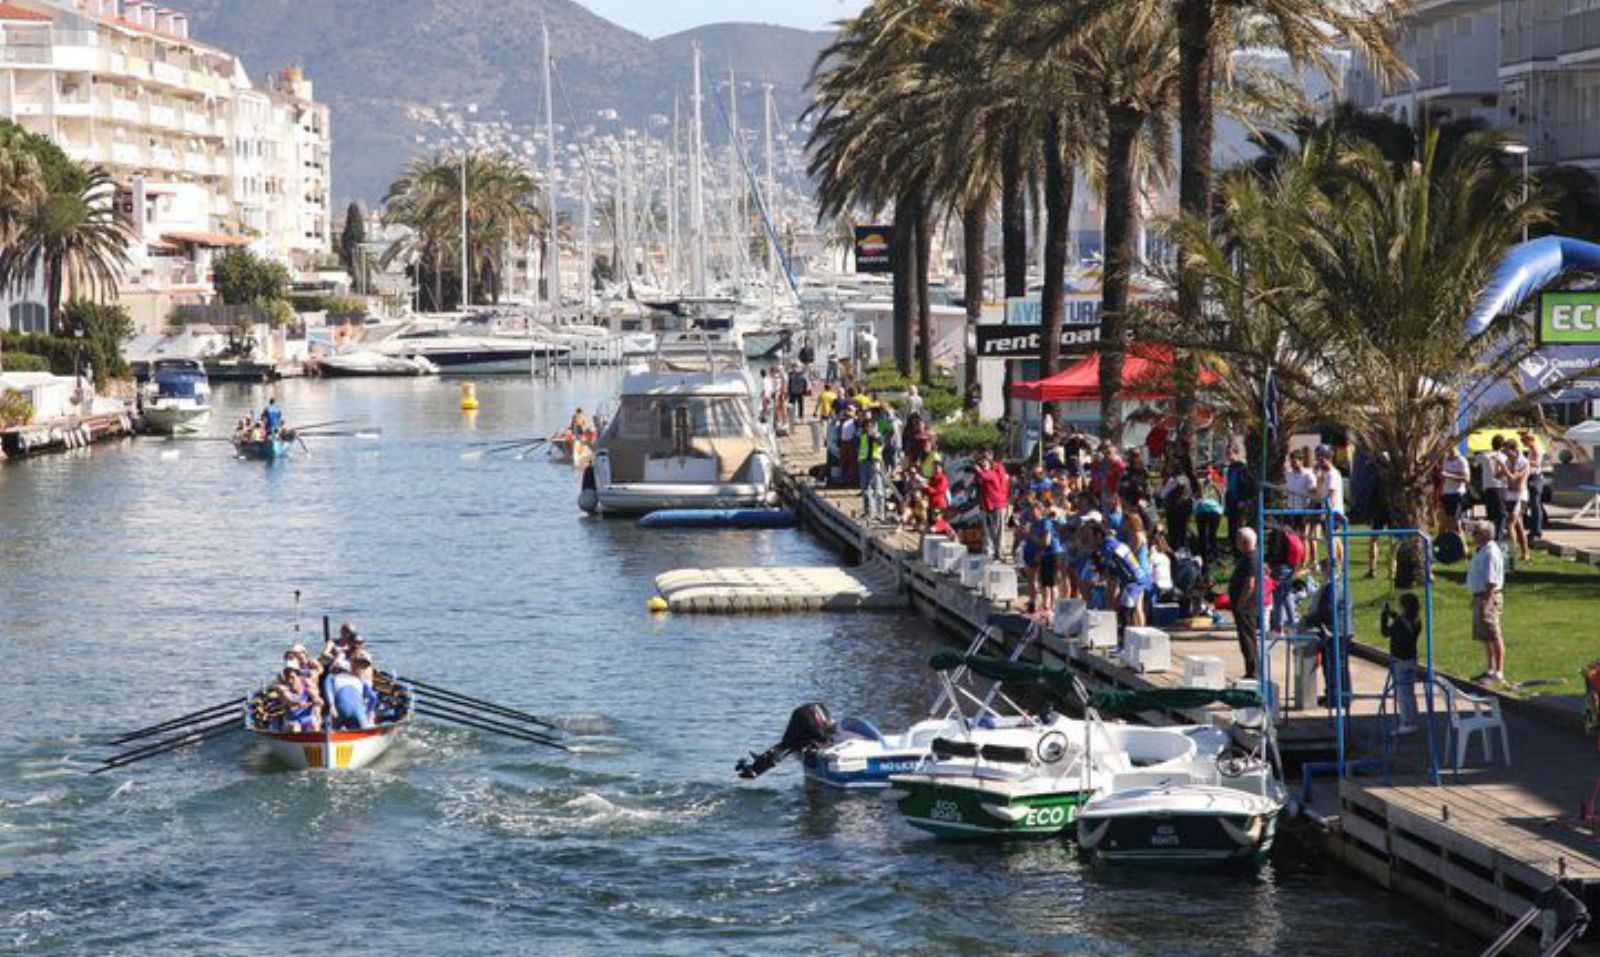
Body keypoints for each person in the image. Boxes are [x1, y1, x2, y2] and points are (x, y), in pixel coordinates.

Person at [1302, 558, 1354, 709]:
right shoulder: (1339, 584)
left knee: (1334, 665)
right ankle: (1335, 695)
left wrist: (1309, 620)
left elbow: (1327, 610)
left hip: (1335, 631)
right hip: (1341, 629)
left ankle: (1338, 698)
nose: (1321, 572)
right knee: (1337, 665)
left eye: (1323, 568)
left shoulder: (1333, 587)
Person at [1086, 520, 1150, 629]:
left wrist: (1098, 576)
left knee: (1125, 612)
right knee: (1129, 609)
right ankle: (1133, 637)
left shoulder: (1108, 547)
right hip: (1137, 577)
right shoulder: (1113, 542)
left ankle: (1127, 641)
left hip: (1133, 581)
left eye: (1091, 537)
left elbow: (1108, 571)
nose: (1089, 540)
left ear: (1098, 535)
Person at [1467, 520, 1506, 684]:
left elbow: (1491, 581)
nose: (1472, 536)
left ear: (1483, 535)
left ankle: (1498, 672)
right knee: (1485, 636)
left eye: (1475, 533)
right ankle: (1489, 669)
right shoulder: (1481, 550)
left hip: (1488, 597)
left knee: (1493, 633)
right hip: (1480, 596)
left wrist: (1486, 602)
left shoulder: (1490, 553)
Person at [1381, 593, 1423, 735]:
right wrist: (1392, 614)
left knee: (1402, 694)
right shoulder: (1416, 621)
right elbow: (1401, 622)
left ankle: (1407, 722)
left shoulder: (1400, 623)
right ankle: (1413, 720)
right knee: (1410, 693)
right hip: (1412, 659)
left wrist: (1383, 616)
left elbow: (1386, 632)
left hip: (1400, 660)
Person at [1230, 528, 1261, 680]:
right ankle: (1251, 670)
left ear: (1244, 542)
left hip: (1247, 607)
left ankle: (1253, 672)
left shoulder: (1251, 558)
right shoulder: (1248, 557)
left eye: (1238, 539)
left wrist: (1241, 604)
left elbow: (1250, 584)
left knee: (1248, 639)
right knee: (1245, 639)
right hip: (1244, 605)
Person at [974, 449, 1010, 561]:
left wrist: (979, 470)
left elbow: (986, 477)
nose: (984, 462)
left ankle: (999, 553)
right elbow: (979, 481)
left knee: (998, 529)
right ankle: (990, 551)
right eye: (982, 459)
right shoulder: (985, 471)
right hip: (987, 504)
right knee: (989, 529)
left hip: (997, 503)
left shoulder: (993, 471)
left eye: (986, 459)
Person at [324, 658, 378, 730]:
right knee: (362, 728)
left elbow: (328, 691)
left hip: (342, 709)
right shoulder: (360, 680)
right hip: (358, 711)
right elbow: (373, 697)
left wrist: (332, 706)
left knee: (330, 722)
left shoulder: (331, 677)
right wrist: (369, 712)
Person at [1502, 439, 1532, 564]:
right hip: (1510, 496)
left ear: (1514, 449)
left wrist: (1504, 469)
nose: (1505, 453)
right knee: (1519, 527)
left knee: (1510, 524)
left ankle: (1511, 554)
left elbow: (1516, 480)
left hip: (1520, 496)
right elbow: (1500, 476)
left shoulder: (1523, 462)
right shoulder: (1508, 461)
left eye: (1507, 450)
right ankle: (1526, 553)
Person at [859, 409, 888, 523]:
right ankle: (868, 512)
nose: (868, 428)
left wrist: (874, 435)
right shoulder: (863, 436)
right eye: (866, 426)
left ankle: (880, 513)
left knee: (878, 488)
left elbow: (881, 442)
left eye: (870, 426)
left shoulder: (878, 435)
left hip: (875, 463)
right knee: (865, 489)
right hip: (864, 463)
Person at [1478, 435, 1507, 542]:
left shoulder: (1485, 455)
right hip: (1501, 487)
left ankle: (1490, 537)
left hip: (1488, 487)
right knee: (1501, 516)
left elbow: (1475, 461)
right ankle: (1498, 539)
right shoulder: (1504, 457)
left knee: (1490, 515)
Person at [1440, 443, 1470, 534]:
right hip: (1446, 494)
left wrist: (1449, 475)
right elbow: (1443, 477)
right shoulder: (1445, 460)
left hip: (1457, 494)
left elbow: (1466, 479)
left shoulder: (1461, 460)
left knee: (1456, 523)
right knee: (1445, 522)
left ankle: (1463, 546)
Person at [1521, 431, 1546, 540]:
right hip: (1531, 477)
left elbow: (1536, 463)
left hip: (1535, 478)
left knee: (1535, 506)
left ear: (1529, 439)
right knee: (1533, 505)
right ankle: (1533, 529)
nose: (1522, 442)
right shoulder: (1531, 449)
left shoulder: (1536, 448)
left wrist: (1525, 461)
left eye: (1523, 440)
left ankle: (1537, 531)